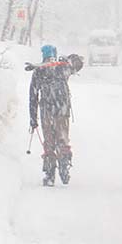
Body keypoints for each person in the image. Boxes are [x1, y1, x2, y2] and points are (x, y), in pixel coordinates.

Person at [27, 44, 83, 186]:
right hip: (62, 110)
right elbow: (77, 64)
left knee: (49, 141)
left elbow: (33, 96)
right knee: (62, 138)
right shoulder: (62, 68)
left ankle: (50, 174)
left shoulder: (41, 71)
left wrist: (33, 118)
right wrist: (69, 61)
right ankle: (64, 167)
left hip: (47, 110)